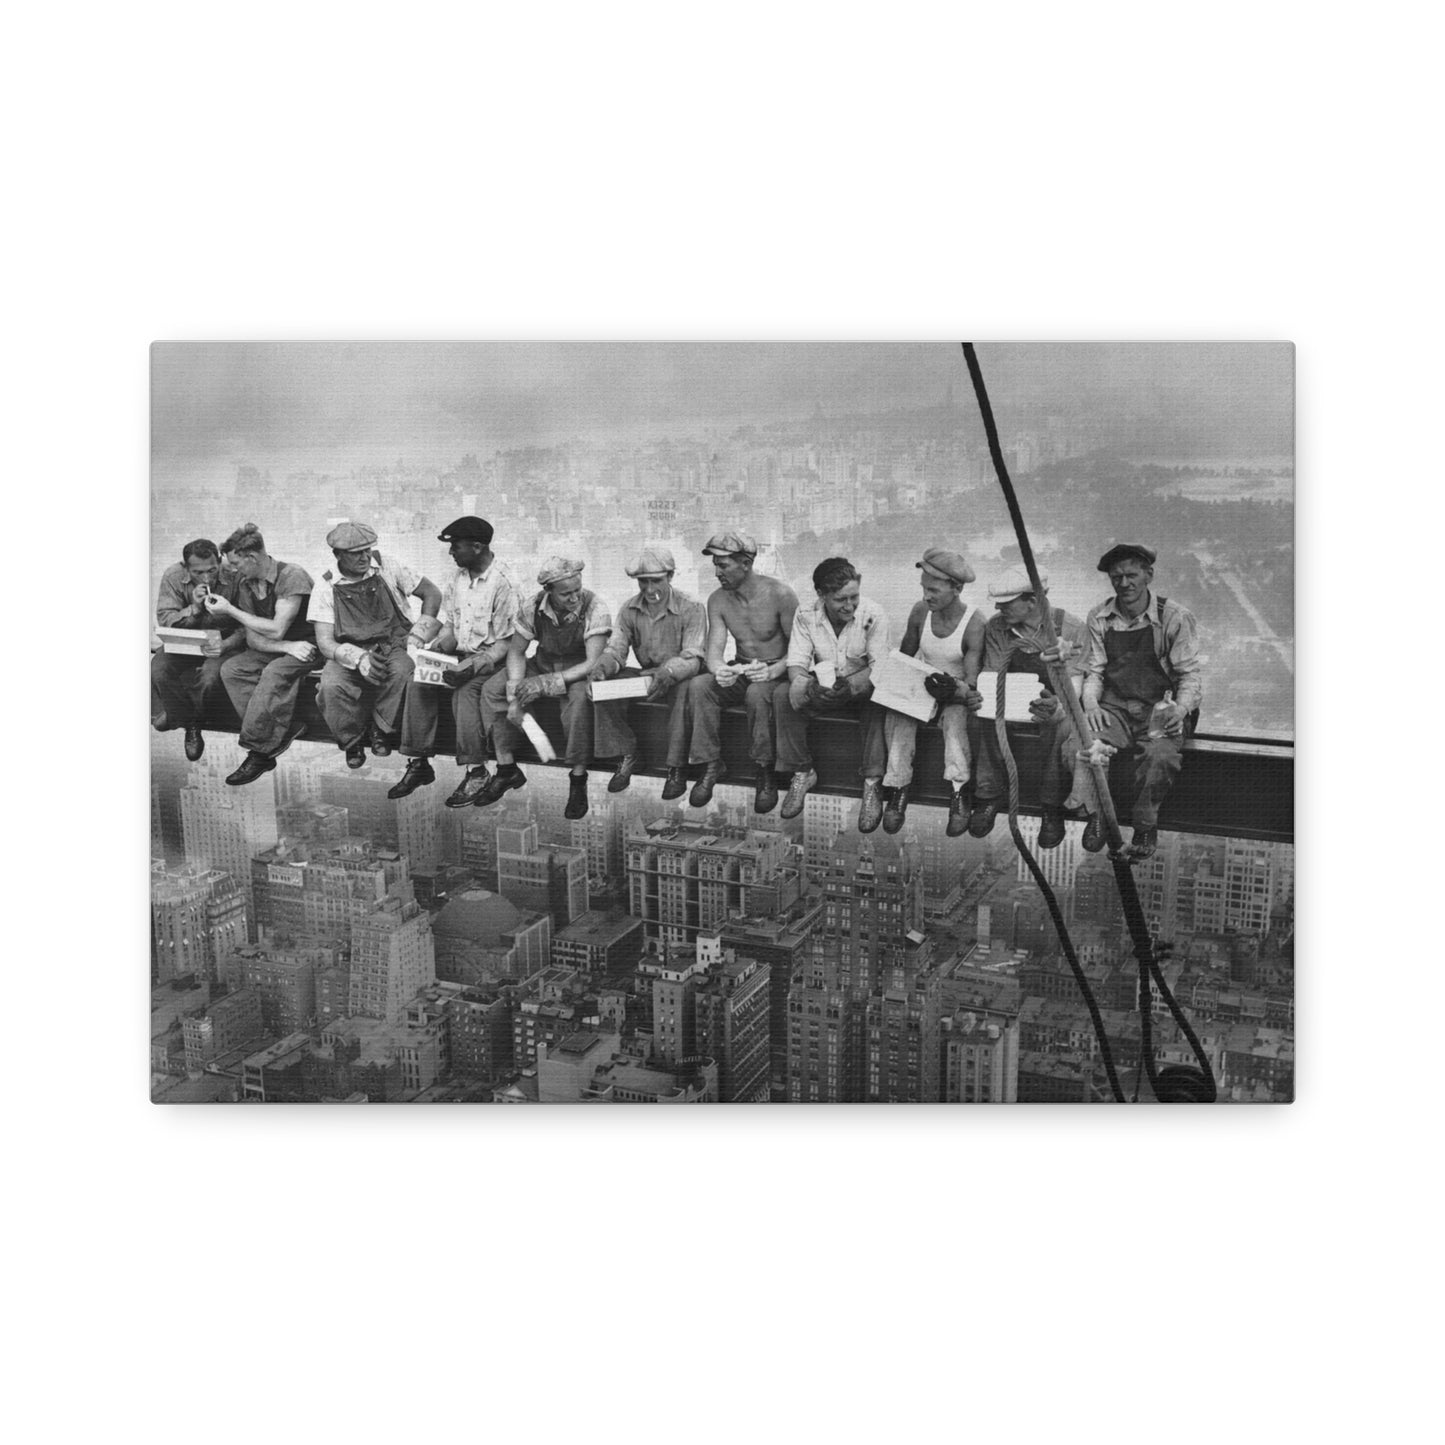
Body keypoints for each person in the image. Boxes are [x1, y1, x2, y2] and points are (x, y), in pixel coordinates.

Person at [1067, 543, 1203, 859]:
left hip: (1161, 708)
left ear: (1148, 576)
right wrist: (1091, 704)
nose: (1124, 584)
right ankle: (1097, 812)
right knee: (1087, 745)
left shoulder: (1174, 617)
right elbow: (1095, 670)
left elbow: (1190, 676)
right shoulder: (1099, 616)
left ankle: (1144, 825)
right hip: (1116, 706)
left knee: (1160, 757)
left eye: (1131, 575)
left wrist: (1180, 710)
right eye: (1117, 577)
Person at [388, 517, 519, 806]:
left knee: (466, 692)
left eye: (455, 546)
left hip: (492, 663)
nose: (451, 553)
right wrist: (436, 648)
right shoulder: (457, 578)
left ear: (477, 546)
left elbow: (507, 642)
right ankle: (418, 762)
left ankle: (476, 771)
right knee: (418, 680)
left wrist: (473, 666)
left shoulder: (504, 582)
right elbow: (451, 624)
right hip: (460, 655)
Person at [477, 556, 611, 819]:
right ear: (548, 591)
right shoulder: (533, 605)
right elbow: (516, 652)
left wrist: (544, 684)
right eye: (565, 594)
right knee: (493, 689)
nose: (574, 598)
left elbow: (592, 662)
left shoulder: (596, 607)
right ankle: (506, 768)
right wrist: (515, 695)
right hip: (543, 661)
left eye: (577, 591)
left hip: (577, 670)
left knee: (580, 702)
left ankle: (578, 778)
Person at [967, 566, 1089, 846]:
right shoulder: (997, 627)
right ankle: (988, 794)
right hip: (1012, 698)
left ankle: (1050, 805)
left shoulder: (1070, 628)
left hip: (1053, 703)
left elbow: (1075, 683)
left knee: (1059, 727)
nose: (998, 607)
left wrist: (1057, 706)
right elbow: (993, 673)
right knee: (983, 717)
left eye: (1006, 603)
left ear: (1032, 601)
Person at [310, 522, 443, 770]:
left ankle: (381, 729)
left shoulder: (387, 565)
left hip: (392, 643)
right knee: (331, 685)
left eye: (367, 550)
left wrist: (418, 635)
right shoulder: (326, 585)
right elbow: (325, 642)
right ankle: (352, 740)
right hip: (349, 649)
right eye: (355, 553)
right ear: (338, 555)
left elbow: (432, 594)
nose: (364, 557)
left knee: (403, 672)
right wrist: (358, 659)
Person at [683, 530, 799, 813]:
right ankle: (711, 763)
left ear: (746, 564)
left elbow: (799, 650)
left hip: (777, 671)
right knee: (700, 686)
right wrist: (720, 670)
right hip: (742, 667)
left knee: (758, 694)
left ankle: (764, 770)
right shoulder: (718, 600)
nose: (717, 572)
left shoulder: (781, 595)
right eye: (715, 565)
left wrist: (773, 672)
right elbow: (714, 652)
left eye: (723, 565)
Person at [877, 548, 986, 834]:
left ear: (957, 588)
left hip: (955, 692)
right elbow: (906, 658)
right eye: (924, 588)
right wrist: (898, 689)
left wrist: (954, 689)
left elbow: (972, 682)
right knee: (899, 715)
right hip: (925, 683)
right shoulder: (920, 611)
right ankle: (899, 787)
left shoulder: (974, 623)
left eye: (934, 590)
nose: (927, 595)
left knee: (954, 724)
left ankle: (960, 791)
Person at [776, 557, 890, 828]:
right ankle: (802, 771)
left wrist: (851, 687)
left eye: (854, 597)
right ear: (821, 595)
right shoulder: (805, 615)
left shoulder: (874, 614)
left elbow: (880, 666)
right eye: (841, 599)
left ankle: (872, 783)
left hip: (861, 687)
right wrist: (809, 686)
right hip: (824, 686)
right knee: (783, 695)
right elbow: (796, 663)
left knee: (878, 701)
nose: (849, 606)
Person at [588, 546, 707, 797]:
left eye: (656, 581)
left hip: (680, 674)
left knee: (684, 693)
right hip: (647, 676)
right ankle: (628, 752)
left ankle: (676, 767)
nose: (650, 589)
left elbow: (693, 656)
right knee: (604, 690)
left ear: (670, 577)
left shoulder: (692, 607)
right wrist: (602, 668)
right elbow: (617, 649)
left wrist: (668, 672)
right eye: (644, 582)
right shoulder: (629, 609)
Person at [204, 524, 317, 786]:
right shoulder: (246, 583)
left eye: (235, 563)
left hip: (309, 646)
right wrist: (285, 648)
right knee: (232, 669)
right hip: (285, 647)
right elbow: (253, 637)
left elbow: (277, 629)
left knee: (274, 673)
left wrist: (230, 609)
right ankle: (283, 729)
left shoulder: (292, 576)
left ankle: (259, 751)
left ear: (252, 558)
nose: (232, 569)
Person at [150, 538, 244, 761]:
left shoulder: (234, 575)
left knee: (210, 678)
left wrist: (226, 645)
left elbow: (245, 623)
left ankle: (182, 718)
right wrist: (194, 608)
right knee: (158, 670)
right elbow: (165, 620)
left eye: (212, 570)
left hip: (223, 642)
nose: (206, 578)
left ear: (219, 561)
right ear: (185, 567)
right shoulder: (173, 576)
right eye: (198, 572)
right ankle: (186, 720)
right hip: (184, 641)